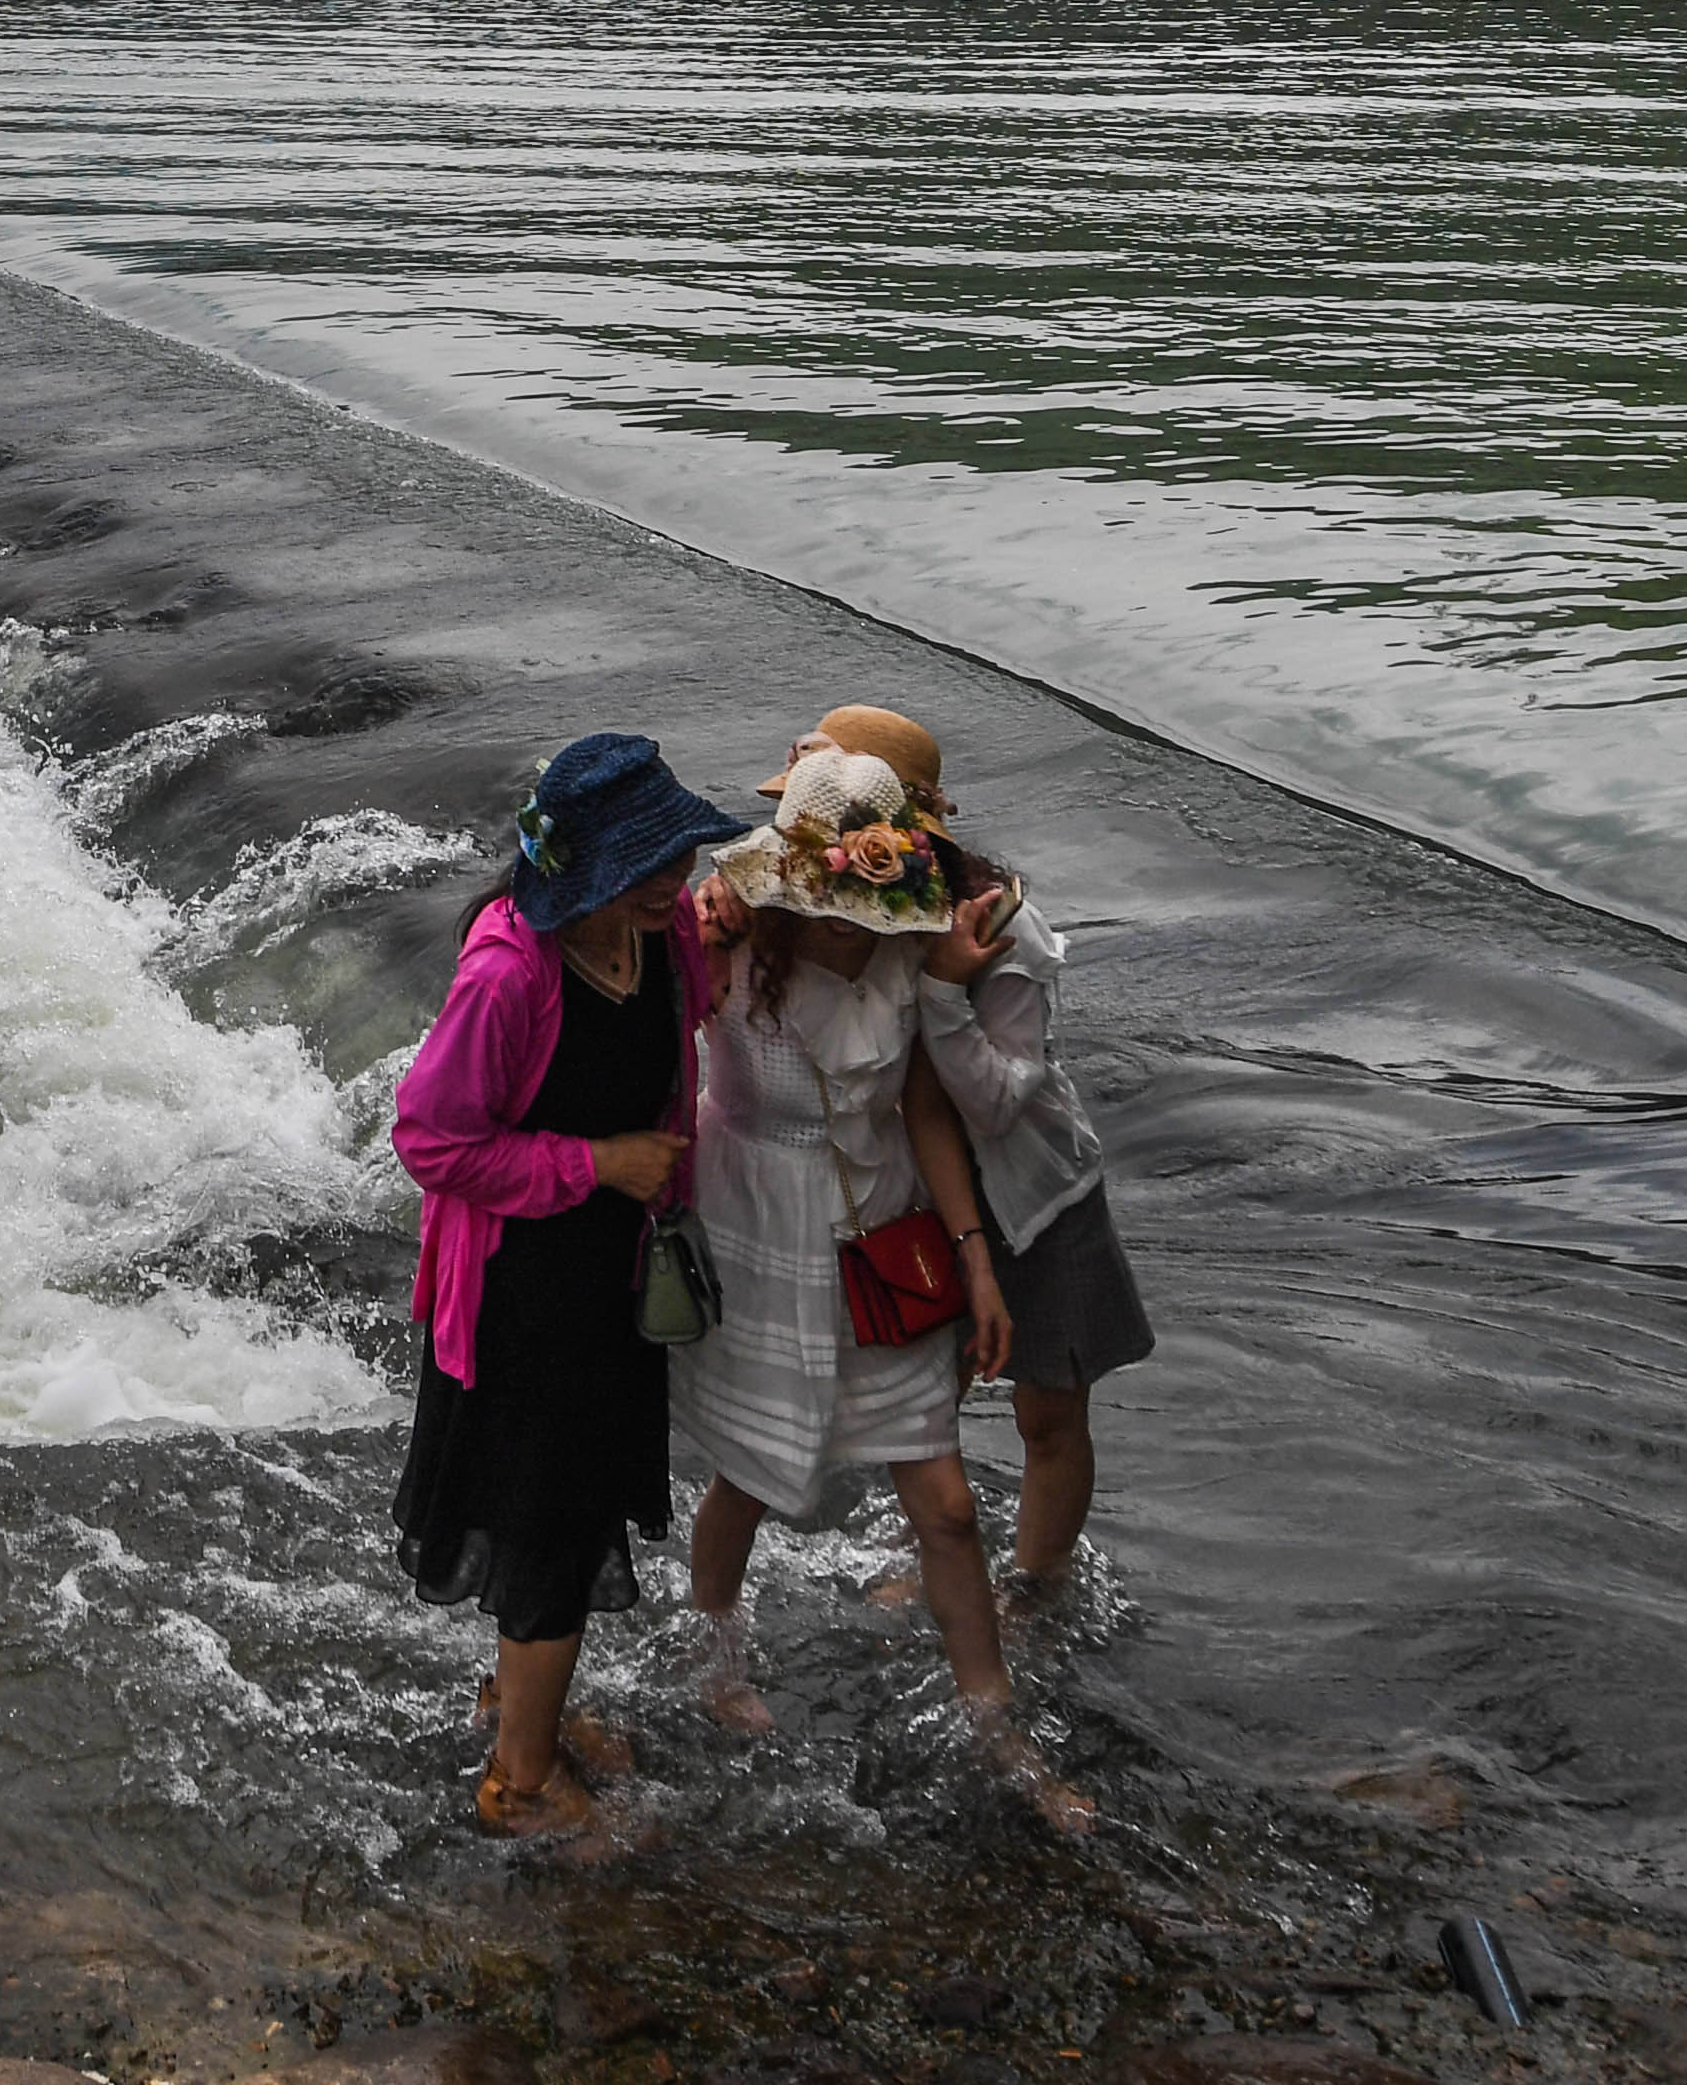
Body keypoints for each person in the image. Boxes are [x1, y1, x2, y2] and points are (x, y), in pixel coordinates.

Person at [671, 742, 1088, 1831]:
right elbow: (647, 1051)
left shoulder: (914, 947)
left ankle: (998, 1729)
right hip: (755, 1214)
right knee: (752, 1473)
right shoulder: (722, 934)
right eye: (835, 907)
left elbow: (926, 1108)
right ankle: (716, 1654)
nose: (856, 927)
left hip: (881, 1223)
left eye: (869, 906)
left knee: (947, 1505)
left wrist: (978, 1259)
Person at [391, 730, 738, 1841]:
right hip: (522, 1299)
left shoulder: (662, 931)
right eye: (652, 867)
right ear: (580, 875)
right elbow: (431, 1140)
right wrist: (598, 1164)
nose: (677, 885)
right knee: (547, 1531)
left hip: (610, 1280)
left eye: (679, 859)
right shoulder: (509, 977)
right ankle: (521, 1787)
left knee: (569, 1513)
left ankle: (518, 1713)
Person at [812, 702, 1156, 1611]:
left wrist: (942, 992)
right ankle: (946, 1560)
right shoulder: (846, 912)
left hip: (1032, 1194)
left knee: (1049, 1405)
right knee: (925, 1394)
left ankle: (1035, 1585)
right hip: (916, 1194)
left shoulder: (1001, 926)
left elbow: (1001, 1102)